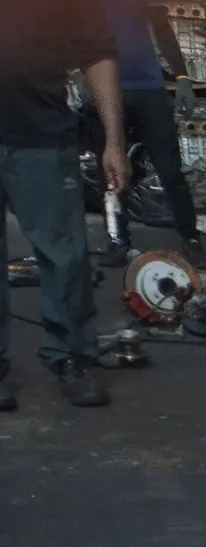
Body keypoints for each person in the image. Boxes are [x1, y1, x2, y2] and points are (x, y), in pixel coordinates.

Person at [0, 0, 129, 410]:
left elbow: (97, 55)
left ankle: (72, 356)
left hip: (42, 138)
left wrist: (114, 141)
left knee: (65, 257)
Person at [106, 0, 206, 268]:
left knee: (170, 169)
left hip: (147, 87)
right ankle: (117, 240)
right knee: (111, 171)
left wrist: (182, 76)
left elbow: (161, 27)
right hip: (105, 90)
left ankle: (191, 239)